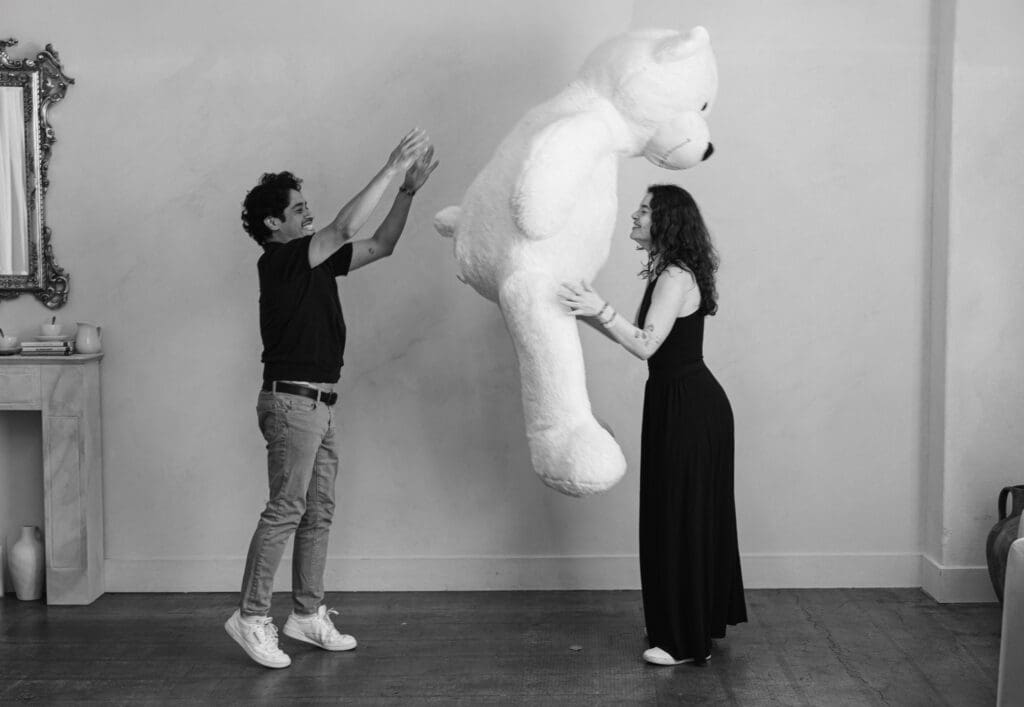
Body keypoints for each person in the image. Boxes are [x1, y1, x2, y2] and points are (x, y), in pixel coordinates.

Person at [225, 129, 438, 669]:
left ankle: (306, 614)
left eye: (305, 206)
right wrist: (390, 167)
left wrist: (407, 192)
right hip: (292, 404)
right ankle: (250, 616)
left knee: (317, 512)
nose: (307, 213)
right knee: (286, 509)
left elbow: (381, 244)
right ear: (274, 223)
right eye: (297, 209)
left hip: (320, 405)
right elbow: (346, 226)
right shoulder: (282, 261)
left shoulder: (319, 263)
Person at [559, 184, 747, 666]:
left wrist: (598, 309)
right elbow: (642, 339)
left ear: (666, 221)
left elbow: (644, 344)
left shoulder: (674, 276)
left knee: (680, 514)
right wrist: (583, 310)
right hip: (678, 401)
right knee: (679, 512)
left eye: (644, 211)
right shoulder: (669, 272)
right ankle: (690, 625)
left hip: (688, 405)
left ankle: (685, 642)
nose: (635, 217)